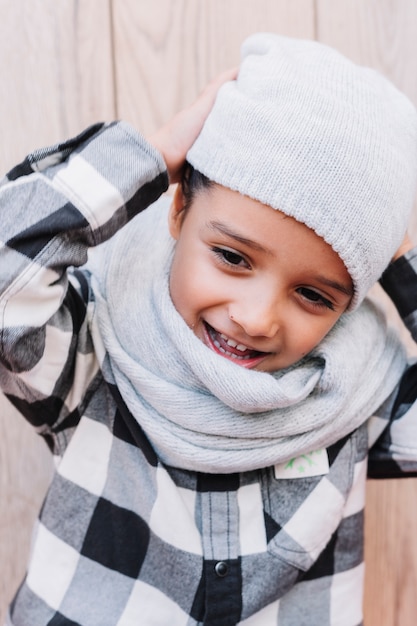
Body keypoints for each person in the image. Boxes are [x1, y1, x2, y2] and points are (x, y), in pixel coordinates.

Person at [2, 32, 417, 626]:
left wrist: (395, 258)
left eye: (312, 294)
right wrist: (152, 155)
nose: (255, 318)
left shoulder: (352, 402)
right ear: (176, 209)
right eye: (233, 257)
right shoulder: (94, 359)